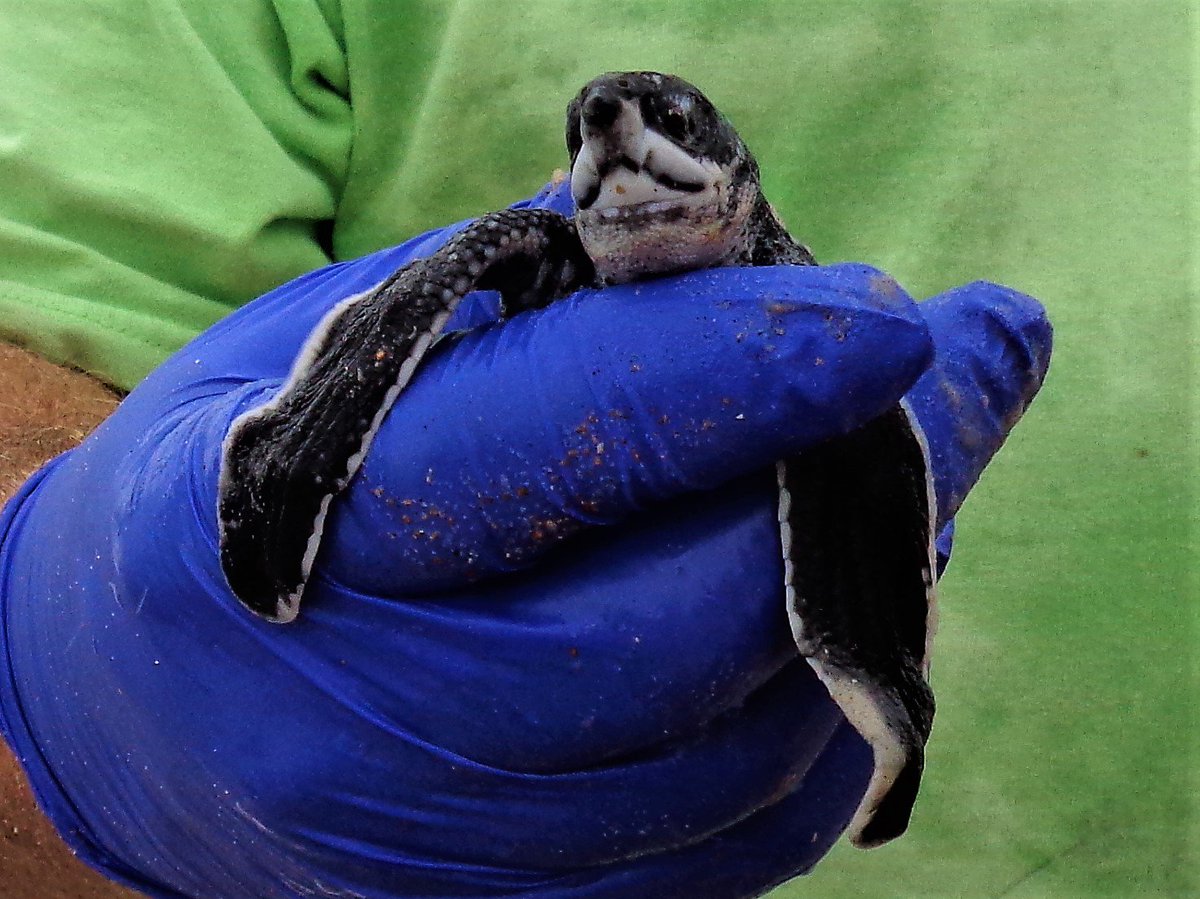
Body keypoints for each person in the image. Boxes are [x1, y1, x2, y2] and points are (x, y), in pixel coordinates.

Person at [0, 6, 1051, 898]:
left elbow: (861, 477)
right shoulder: (539, 247)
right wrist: (72, 659)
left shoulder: (788, 285)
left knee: (857, 438)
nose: (625, 149)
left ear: (729, 171)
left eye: (665, 132)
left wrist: (880, 675)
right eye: (601, 137)